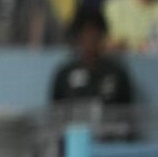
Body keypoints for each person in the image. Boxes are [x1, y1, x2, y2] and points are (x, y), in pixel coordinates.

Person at [50, 8, 136, 141]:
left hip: (109, 145)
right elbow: (55, 118)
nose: (90, 39)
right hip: (74, 145)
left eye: (96, 34)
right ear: (78, 38)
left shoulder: (117, 74)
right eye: (86, 34)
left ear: (103, 36)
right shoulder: (64, 75)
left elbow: (127, 119)